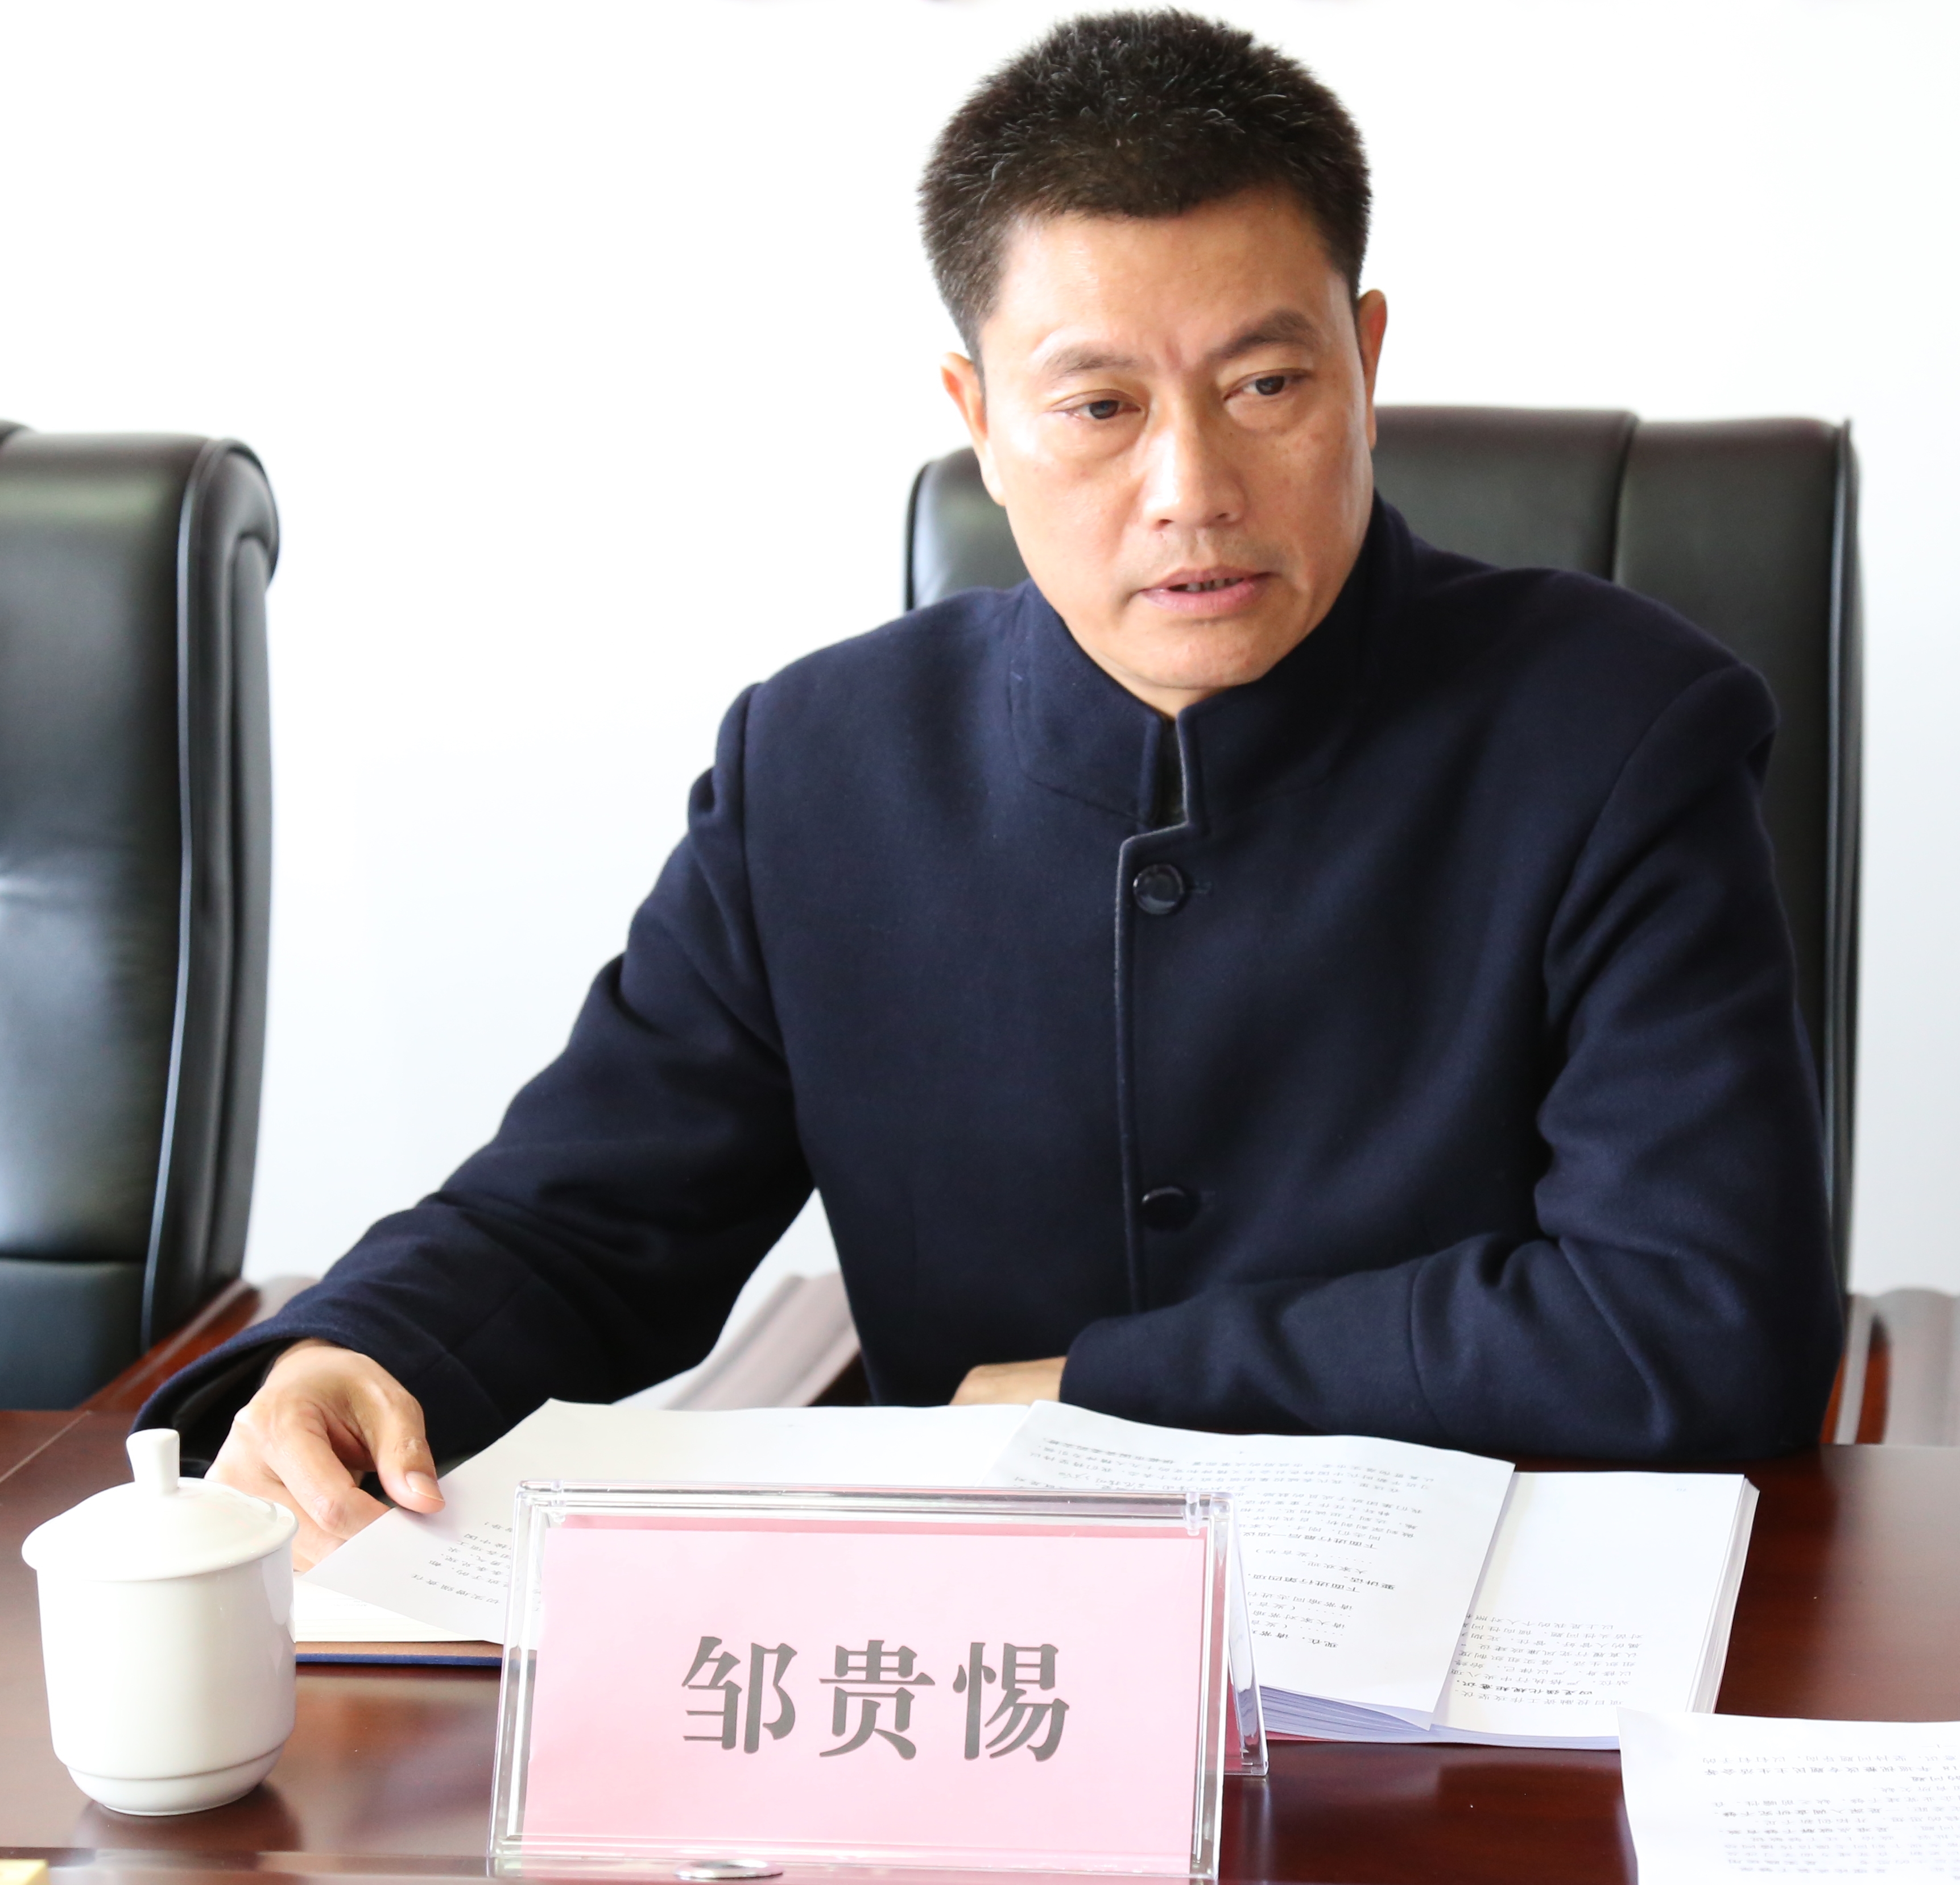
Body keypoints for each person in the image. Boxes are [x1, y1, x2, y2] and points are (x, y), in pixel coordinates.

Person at [142, 7, 1842, 1570]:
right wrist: (354, 1350)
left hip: (1481, 1629)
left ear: (1366, 360)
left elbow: (1695, 1319)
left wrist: (1103, 1388)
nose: (1190, 487)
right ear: (977, 416)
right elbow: (587, 1218)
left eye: (1267, 384)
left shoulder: (1622, 733)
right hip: (965, 1655)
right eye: (1098, 405)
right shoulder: (820, 767)